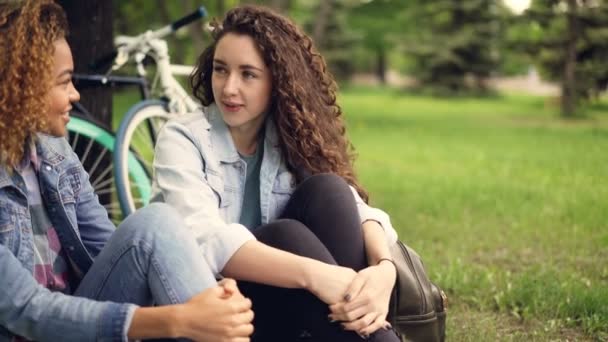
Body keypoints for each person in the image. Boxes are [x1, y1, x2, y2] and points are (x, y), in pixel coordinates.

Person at [0, 1, 253, 341]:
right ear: (19, 89)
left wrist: (206, 295)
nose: (75, 94)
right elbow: (30, 311)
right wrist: (176, 320)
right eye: (63, 83)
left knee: (154, 223)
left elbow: (119, 249)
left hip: (84, 321)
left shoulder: (53, 152)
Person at [152, 5, 401, 341]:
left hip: (286, 309)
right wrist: (316, 276)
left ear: (277, 82)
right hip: (214, 312)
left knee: (328, 190)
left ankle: (359, 323)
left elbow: (360, 212)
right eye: (221, 70)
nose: (228, 88)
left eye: (248, 74)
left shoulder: (289, 135)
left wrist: (384, 269)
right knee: (285, 236)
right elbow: (207, 240)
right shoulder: (182, 138)